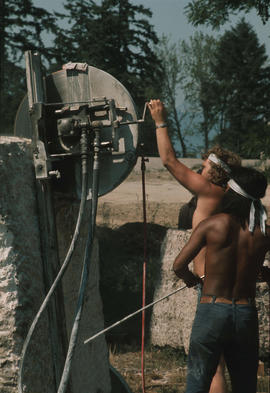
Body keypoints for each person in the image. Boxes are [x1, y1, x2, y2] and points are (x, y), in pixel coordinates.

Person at [148, 99, 241, 392]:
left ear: (214, 172)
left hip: (211, 287)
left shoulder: (210, 191)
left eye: (203, 167)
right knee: (221, 361)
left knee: (209, 364)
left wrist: (160, 122)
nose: (199, 172)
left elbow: (168, 161)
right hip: (233, 285)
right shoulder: (234, 199)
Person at [173, 166, 270, 393]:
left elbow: (178, 265)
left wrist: (192, 280)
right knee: (245, 385)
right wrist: (263, 273)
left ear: (233, 193)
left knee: (197, 384)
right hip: (246, 313)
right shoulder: (264, 233)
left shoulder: (213, 224)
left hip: (212, 309)